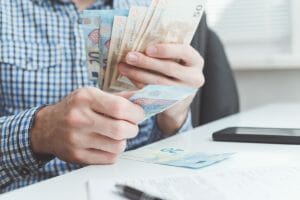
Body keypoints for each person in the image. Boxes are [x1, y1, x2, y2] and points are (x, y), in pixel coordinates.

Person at [0, 0, 204, 193]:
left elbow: (172, 156)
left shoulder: (154, 9)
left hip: (132, 189)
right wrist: (39, 132)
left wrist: (173, 117)